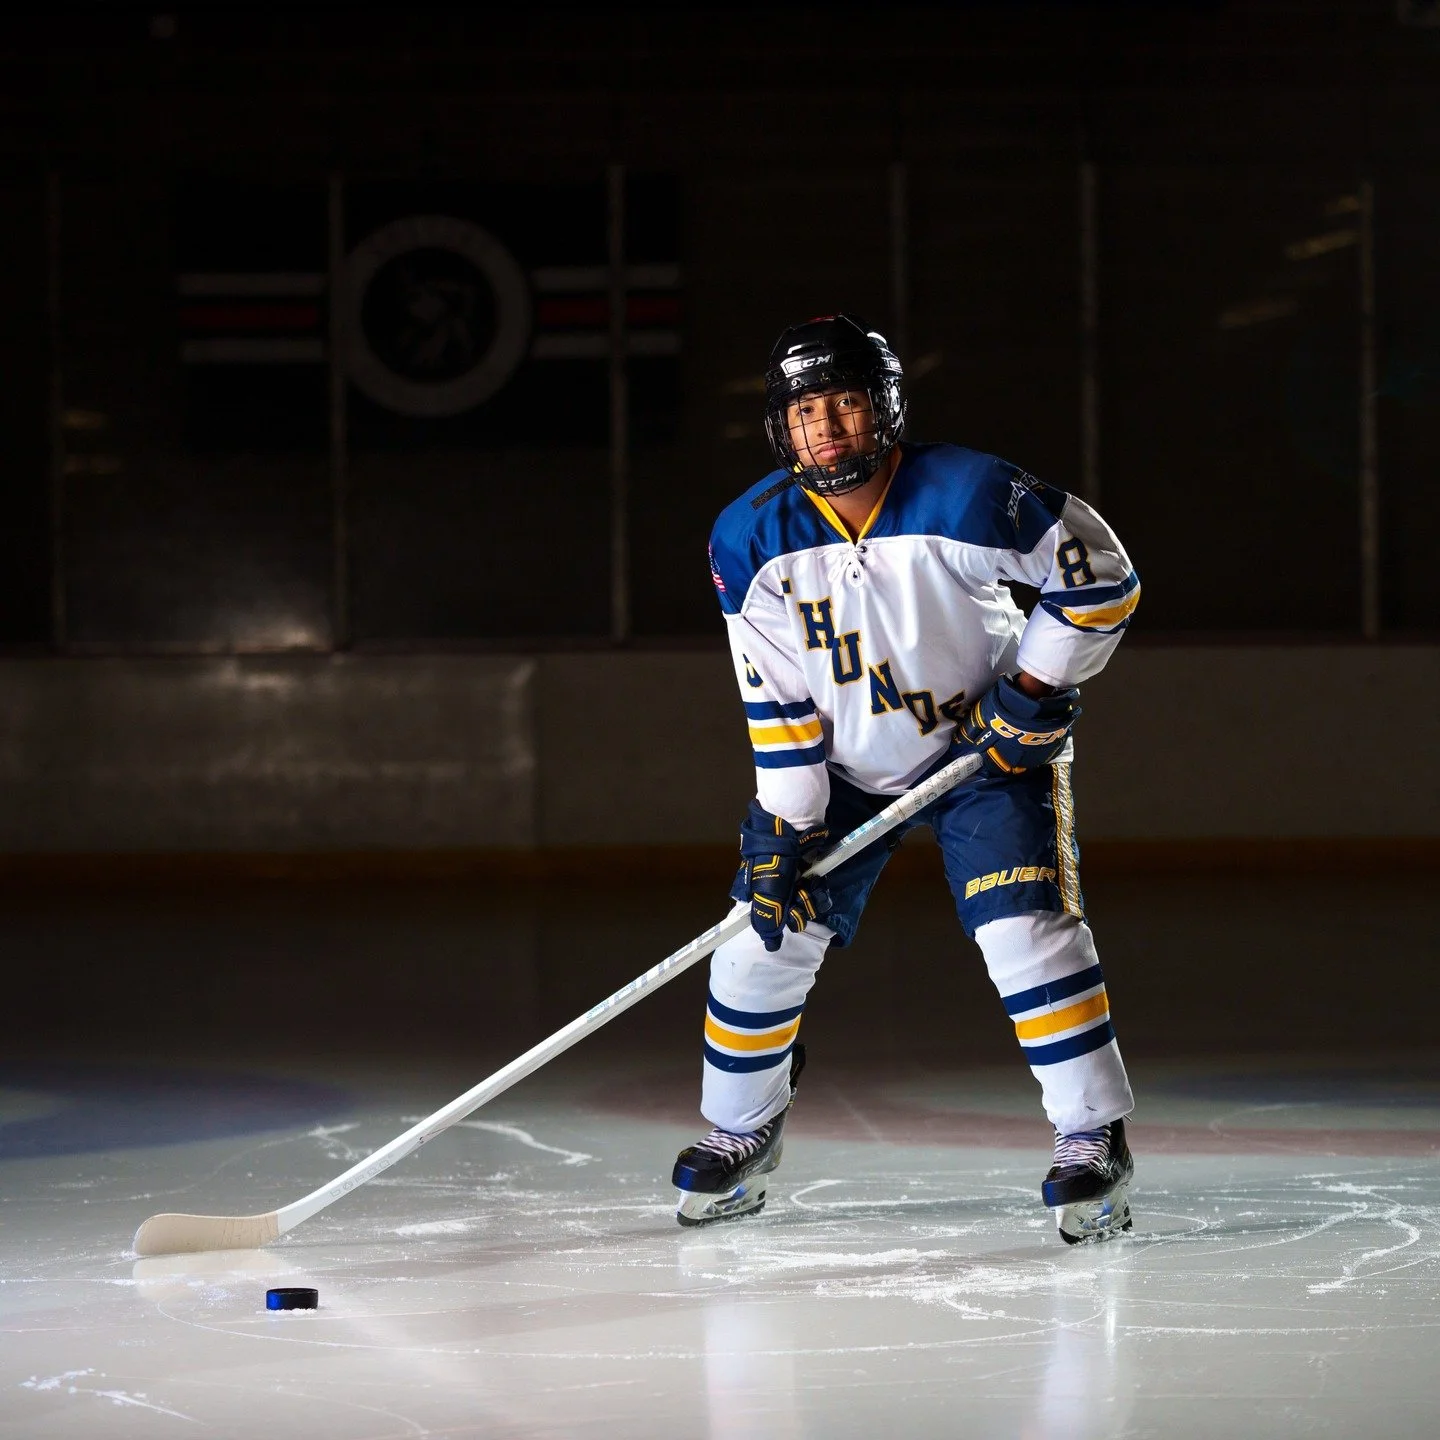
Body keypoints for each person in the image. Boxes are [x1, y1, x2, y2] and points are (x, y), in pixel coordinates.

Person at [672, 314, 1140, 1243]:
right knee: (757, 945)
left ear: (884, 408)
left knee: (1026, 936)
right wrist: (786, 822)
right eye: (807, 411)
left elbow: (1102, 576)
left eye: (846, 403)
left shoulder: (972, 492)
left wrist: (1034, 690)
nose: (829, 429)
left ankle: (1093, 1138)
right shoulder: (748, 538)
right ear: (781, 426)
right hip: (842, 772)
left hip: (985, 757)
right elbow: (774, 692)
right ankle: (741, 1128)